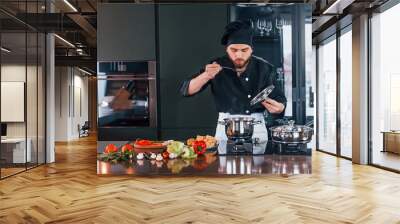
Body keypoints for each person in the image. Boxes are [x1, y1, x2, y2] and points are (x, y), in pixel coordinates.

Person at [180, 20, 286, 141]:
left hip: (256, 127)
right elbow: (186, 90)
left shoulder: (265, 68)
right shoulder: (216, 65)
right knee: (223, 160)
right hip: (225, 127)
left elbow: (280, 100)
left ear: (251, 49)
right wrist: (206, 75)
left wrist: (279, 108)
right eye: (234, 50)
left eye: (244, 50)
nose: (239, 55)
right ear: (227, 49)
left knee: (258, 160)